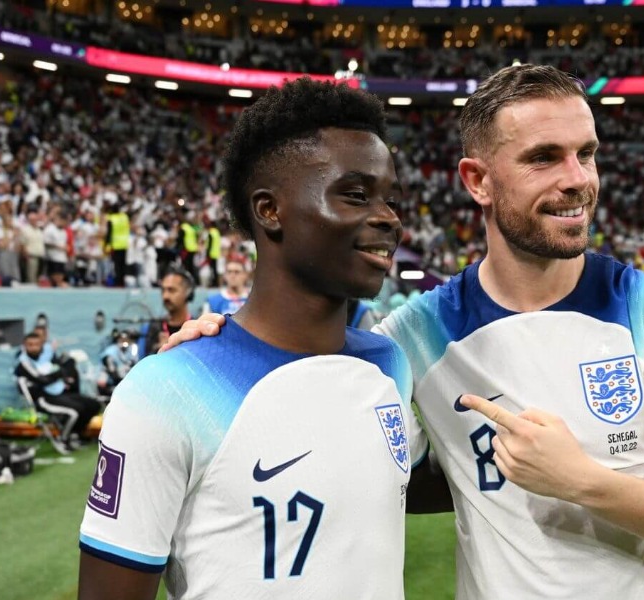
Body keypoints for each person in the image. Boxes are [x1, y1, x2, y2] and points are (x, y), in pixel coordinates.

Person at [170, 64, 644, 599]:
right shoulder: (414, 337)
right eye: (544, 158)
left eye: (586, 154)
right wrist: (215, 345)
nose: (577, 179)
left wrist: (581, 481)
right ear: (478, 181)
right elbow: (297, 385)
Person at [78, 78, 431, 600]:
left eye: (390, 199)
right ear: (269, 210)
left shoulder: (387, 364)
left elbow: (420, 482)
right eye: (357, 195)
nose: (389, 218)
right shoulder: (166, 391)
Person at [14, 331, 100, 451]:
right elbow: (43, 380)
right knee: (75, 411)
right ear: (24, 346)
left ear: (41, 345)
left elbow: (64, 369)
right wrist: (58, 373)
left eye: (36, 344)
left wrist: (58, 373)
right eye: (30, 345)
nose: (33, 347)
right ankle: (63, 439)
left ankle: (76, 434)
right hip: (43, 399)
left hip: (58, 394)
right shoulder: (24, 364)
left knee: (93, 404)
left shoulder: (46, 358)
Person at [138, 267, 196, 358]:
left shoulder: (196, 329)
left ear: (188, 293)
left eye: (171, 290)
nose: (165, 296)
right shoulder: (151, 328)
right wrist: (158, 351)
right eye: (163, 290)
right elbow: (141, 362)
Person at [96, 330, 138, 399]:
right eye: (122, 339)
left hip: (123, 383)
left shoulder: (131, 350)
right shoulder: (110, 352)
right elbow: (113, 372)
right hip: (109, 385)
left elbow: (134, 364)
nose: (125, 342)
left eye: (127, 339)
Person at [104, 202, 129, 288]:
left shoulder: (111, 219)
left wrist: (106, 244)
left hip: (115, 244)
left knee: (117, 265)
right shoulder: (125, 217)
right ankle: (122, 281)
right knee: (123, 264)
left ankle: (118, 282)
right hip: (125, 243)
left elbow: (109, 233)